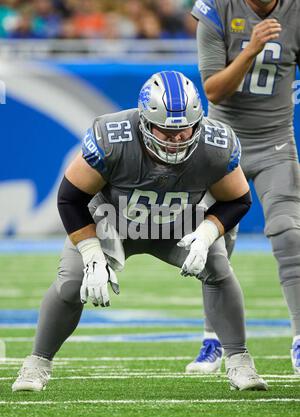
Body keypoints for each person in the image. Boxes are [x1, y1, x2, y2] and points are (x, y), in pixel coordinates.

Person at [12, 70, 267, 392]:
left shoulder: (215, 144)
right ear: (145, 122)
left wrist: (205, 235)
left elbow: (238, 200)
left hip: (179, 223)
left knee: (217, 267)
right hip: (113, 222)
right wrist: (91, 255)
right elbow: (70, 198)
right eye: (166, 131)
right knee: (71, 283)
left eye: (184, 129)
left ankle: (239, 361)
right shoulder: (112, 137)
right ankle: (37, 363)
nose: (178, 139)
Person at [186, 0, 300, 375]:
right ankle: (212, 339)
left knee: (289, 234)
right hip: (223, 143)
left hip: (276, 143)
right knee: (215, 244)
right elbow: (214, 90)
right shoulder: (216, 9)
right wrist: (250, 49)